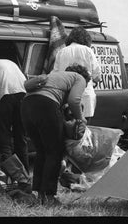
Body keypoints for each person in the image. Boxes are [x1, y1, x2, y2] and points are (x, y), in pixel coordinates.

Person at [21, 64, 91, 205]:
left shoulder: (55, 76)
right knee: (55, 152)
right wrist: (81, 118)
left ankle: (38, 193)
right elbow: (74, 100)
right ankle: (48, 196)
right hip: (45, 105)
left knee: (42, 151)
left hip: (26, 107)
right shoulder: (79, 78)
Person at [53, 26, 100, 124]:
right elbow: (97, 76)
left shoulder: (61, 52)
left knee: (68, 129)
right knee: (84, 129)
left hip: (66, 96)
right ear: (86, 39)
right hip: (85, 95)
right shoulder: (88, 51)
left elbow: (55, 74)